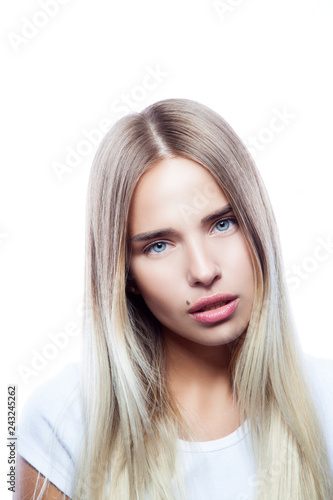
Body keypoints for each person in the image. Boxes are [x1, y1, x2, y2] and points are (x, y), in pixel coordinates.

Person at [15, 98, 333, 499]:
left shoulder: (326, 400)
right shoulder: (65, 419)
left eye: (222, 223)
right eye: (159, 246)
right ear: (125, 275)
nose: (203, 271)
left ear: (257, 224)